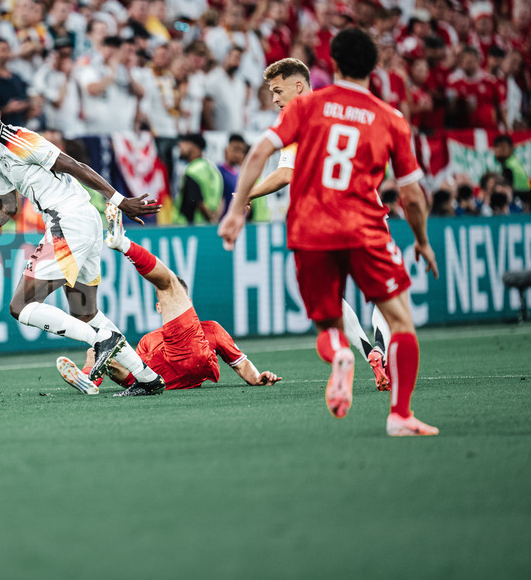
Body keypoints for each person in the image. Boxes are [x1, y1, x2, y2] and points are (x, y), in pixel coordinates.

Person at [219, 29, 440, 437]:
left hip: (311, 229)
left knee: (328, 325)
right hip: (366, 226)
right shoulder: (390, 118)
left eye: (277, 91)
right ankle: (400, 415)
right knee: (399, 318)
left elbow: (262, 155)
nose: (275, 98)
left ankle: (343, 353)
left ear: (332, 65)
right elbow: (411, 194)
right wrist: (423, 241)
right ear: (375, 68)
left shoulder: (308, 108)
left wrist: (237, 207)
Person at [0, 90, 166, 397]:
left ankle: (100, 341)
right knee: (85, 312)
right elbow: (7, 208)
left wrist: (119, 200)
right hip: (80, 222)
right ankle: (146, 377)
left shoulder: (19, 139)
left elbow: (75, 165)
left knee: (21, 306)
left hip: (68, 222)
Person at [247, 57, 395, 391]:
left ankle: (367, 351)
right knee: (383, 292)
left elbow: (286, 172)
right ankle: (381, 349)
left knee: (330, 298)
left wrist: (246, 194)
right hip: (367, 210)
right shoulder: (341, 108)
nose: (274, 99)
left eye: (277, 90)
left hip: (324, 219)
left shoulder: (296, 118)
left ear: (298, 85)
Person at [57, 204, 281, 395]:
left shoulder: (207, 330)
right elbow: (132, 372)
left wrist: (256, 377)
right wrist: (255, 378)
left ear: (187, 302)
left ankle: (122, 243)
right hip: (159, 377)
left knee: (167, 283)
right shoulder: (160, 338)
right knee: (98, 350)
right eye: (162, 300)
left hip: (167, 367)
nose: (167, 301)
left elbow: (241, 363)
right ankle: (88, 381)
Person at [175, 133, 222, 224]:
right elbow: (221, 199)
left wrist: (211, 220)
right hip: (209, 224)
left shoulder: (192, 170)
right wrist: (214, 220)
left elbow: (197, 201)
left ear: (192, 146)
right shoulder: (213, 169)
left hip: (192, 227)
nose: (180, 146)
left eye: (183, 143)